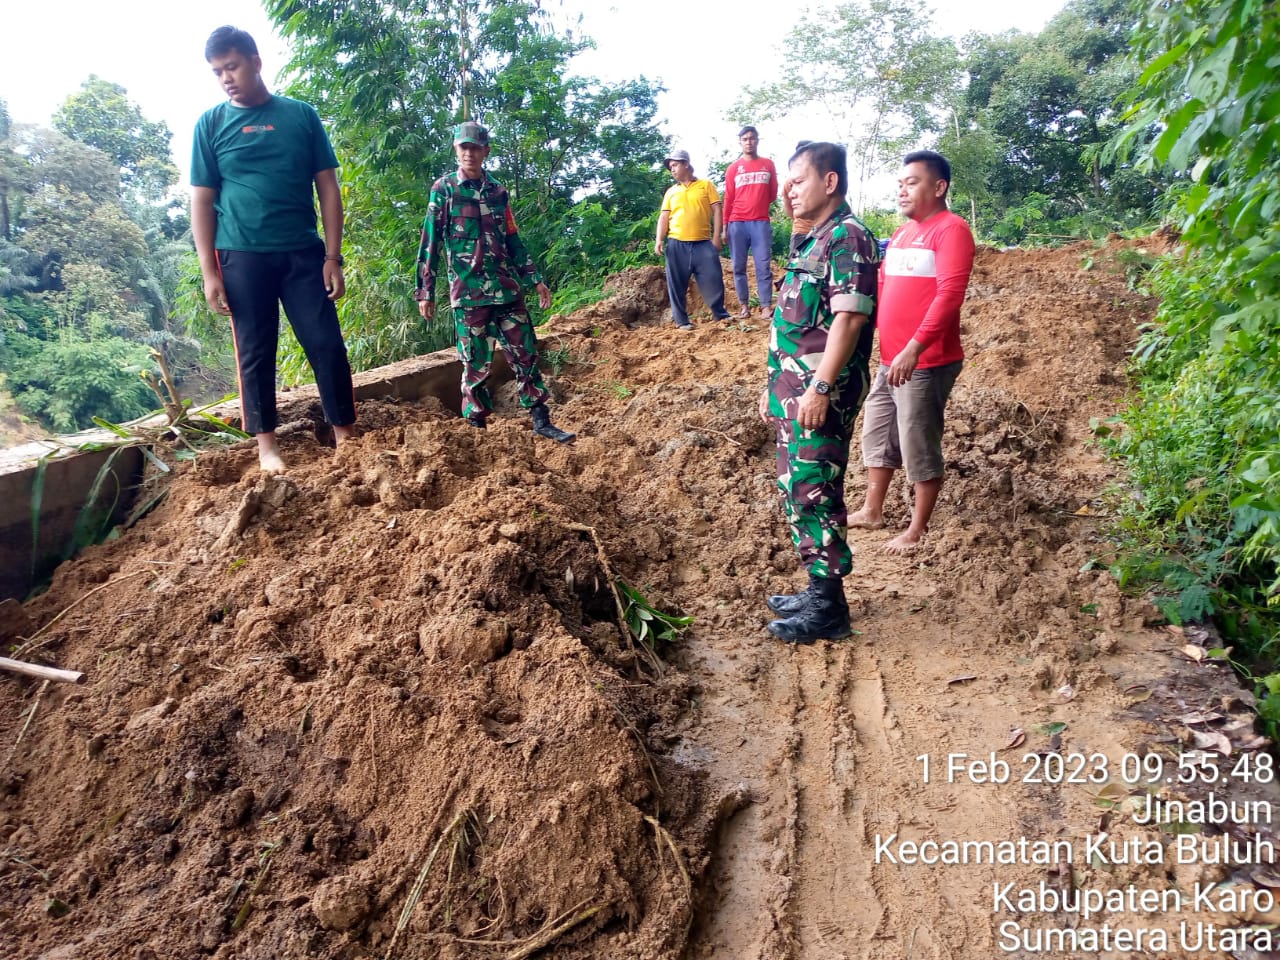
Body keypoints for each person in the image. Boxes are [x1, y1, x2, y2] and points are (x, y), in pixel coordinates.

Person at [191, 26, 357, 475]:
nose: (226, 77)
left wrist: (332, 257)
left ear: (256, 62)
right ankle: (267, 447)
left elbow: (328, 188)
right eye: (217, 71)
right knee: (256, 352)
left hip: (302, 254)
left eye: (233, 66)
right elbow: (202, 201)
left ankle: (344, 434)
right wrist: (210, 273)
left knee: (325, 343)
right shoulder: (210, 124)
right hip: (241, 259)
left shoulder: (300, 116)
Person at [758, 142, 879, 644]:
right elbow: (794, 319)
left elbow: (848, 318)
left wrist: (820, 387)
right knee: (798, 490)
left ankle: (829, 610)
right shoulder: (814, 239)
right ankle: (817, 586)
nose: (790, 190)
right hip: (794, 390)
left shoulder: (848, 238)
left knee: (815, 491)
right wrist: (776, 390)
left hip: (820, 394)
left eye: (799, 180)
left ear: (830, 183)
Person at [415, 122, 574, 443]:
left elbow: (513, 239)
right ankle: (476, 431)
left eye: (475, 148)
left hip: (507, 292)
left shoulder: (498, 192)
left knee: (525, 355)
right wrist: (425, 290)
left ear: (486, 151)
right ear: (456, 150)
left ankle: (542, 420)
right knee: (475, 364)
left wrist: (535, 280)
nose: (469, 153)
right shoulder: (444, 190)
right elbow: (430, 241)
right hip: (469, 294)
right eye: (464, 147)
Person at [849, 150, 975, 552]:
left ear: (939, 187)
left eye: (912, 182)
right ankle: (872, 510)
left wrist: (914, 348)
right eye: (900, 183)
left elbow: (949, 295)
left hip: (925, 360)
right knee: (878, 431)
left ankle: (918, 528)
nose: (902, 190)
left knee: (917, 439)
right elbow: (885, 290)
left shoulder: (951, 230)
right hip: (891, 358)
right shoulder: (903, 234)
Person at [654, 149, 732, 330]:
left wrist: (717, 237)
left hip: (703, 243)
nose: (672, 170)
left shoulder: (705, 185)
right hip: (676, 243)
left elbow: (717, 210)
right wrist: (659, 239)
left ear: (686, 164)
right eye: (670, 167)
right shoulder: (671, 192)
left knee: (713, 279)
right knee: (676, 284)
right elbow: (664, 217)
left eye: (675, 165)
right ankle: (682, 321)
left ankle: (720, 315)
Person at [723, 125, 778, 319]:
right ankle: (744, 306)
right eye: (745, 139)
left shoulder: (768, 165)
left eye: (752, 138)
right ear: (740, 142)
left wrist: (757, 204)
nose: (749, 142)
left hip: (760, 223)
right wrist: (724, 227)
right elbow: (728, 198)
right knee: (738, 266)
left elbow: (772, 194)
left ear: (757, 140)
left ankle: (765, 306)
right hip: (737, 223)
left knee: (763, 264)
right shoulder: (733, 169)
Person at [780, 140, 815, 257]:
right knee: (797, 269)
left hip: (821, 232)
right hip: (802, 231)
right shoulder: (789, 182)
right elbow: (790, 211)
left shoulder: (822, 178)